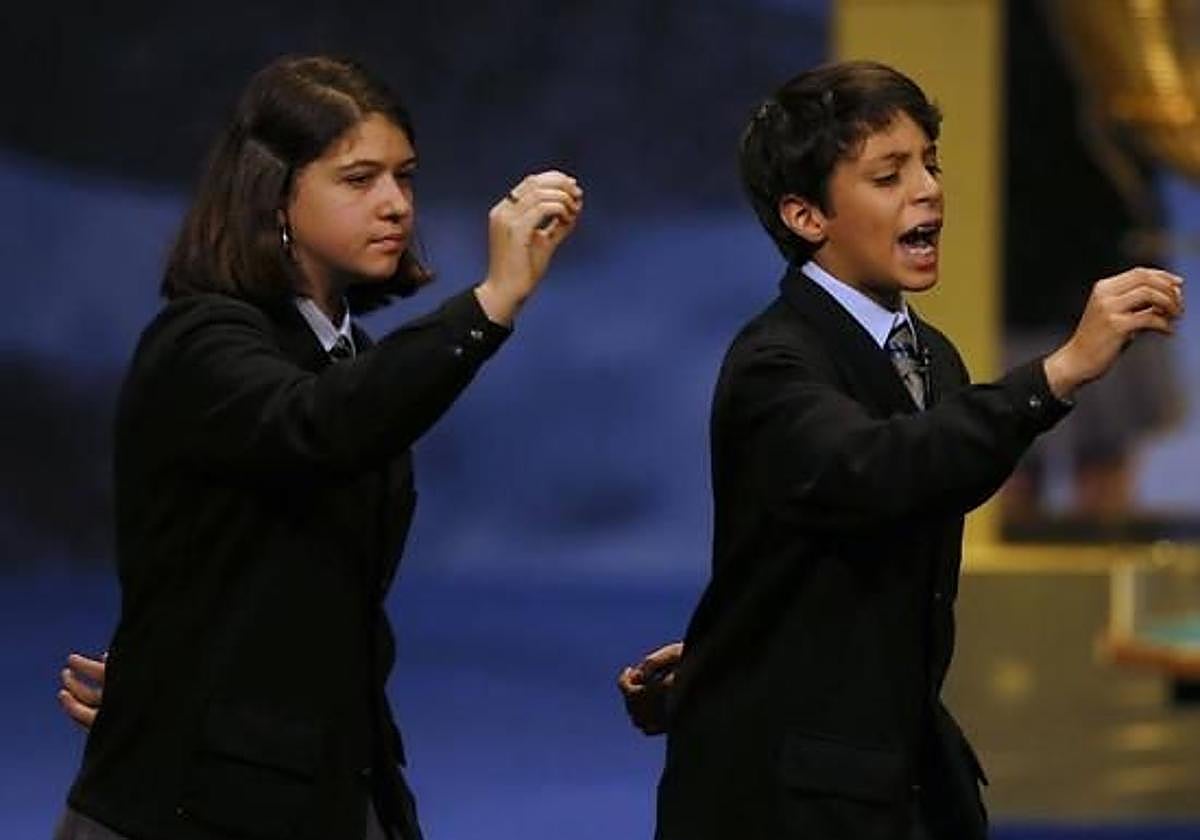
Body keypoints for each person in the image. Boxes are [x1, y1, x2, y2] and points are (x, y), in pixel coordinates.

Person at [619, 61, 1182, 840]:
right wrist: (1060, 372)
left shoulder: (932, 356)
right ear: (806, 215)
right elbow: (881, 469)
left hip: (898, 772)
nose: (928, 190)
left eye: (930, 163)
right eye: (889, 175)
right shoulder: (773, 363)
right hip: (785, 802)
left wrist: (740, 643)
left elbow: (916, 491)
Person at [55, 54, 582, 840]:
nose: (396, 204)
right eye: (359, 178)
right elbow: (317, 428)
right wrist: (490, 301)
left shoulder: (351, 353)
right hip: (193, 807)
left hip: (322, 782)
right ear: (274, 193)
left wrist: (178, 658)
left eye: (404, 177)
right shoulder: (203, 338)